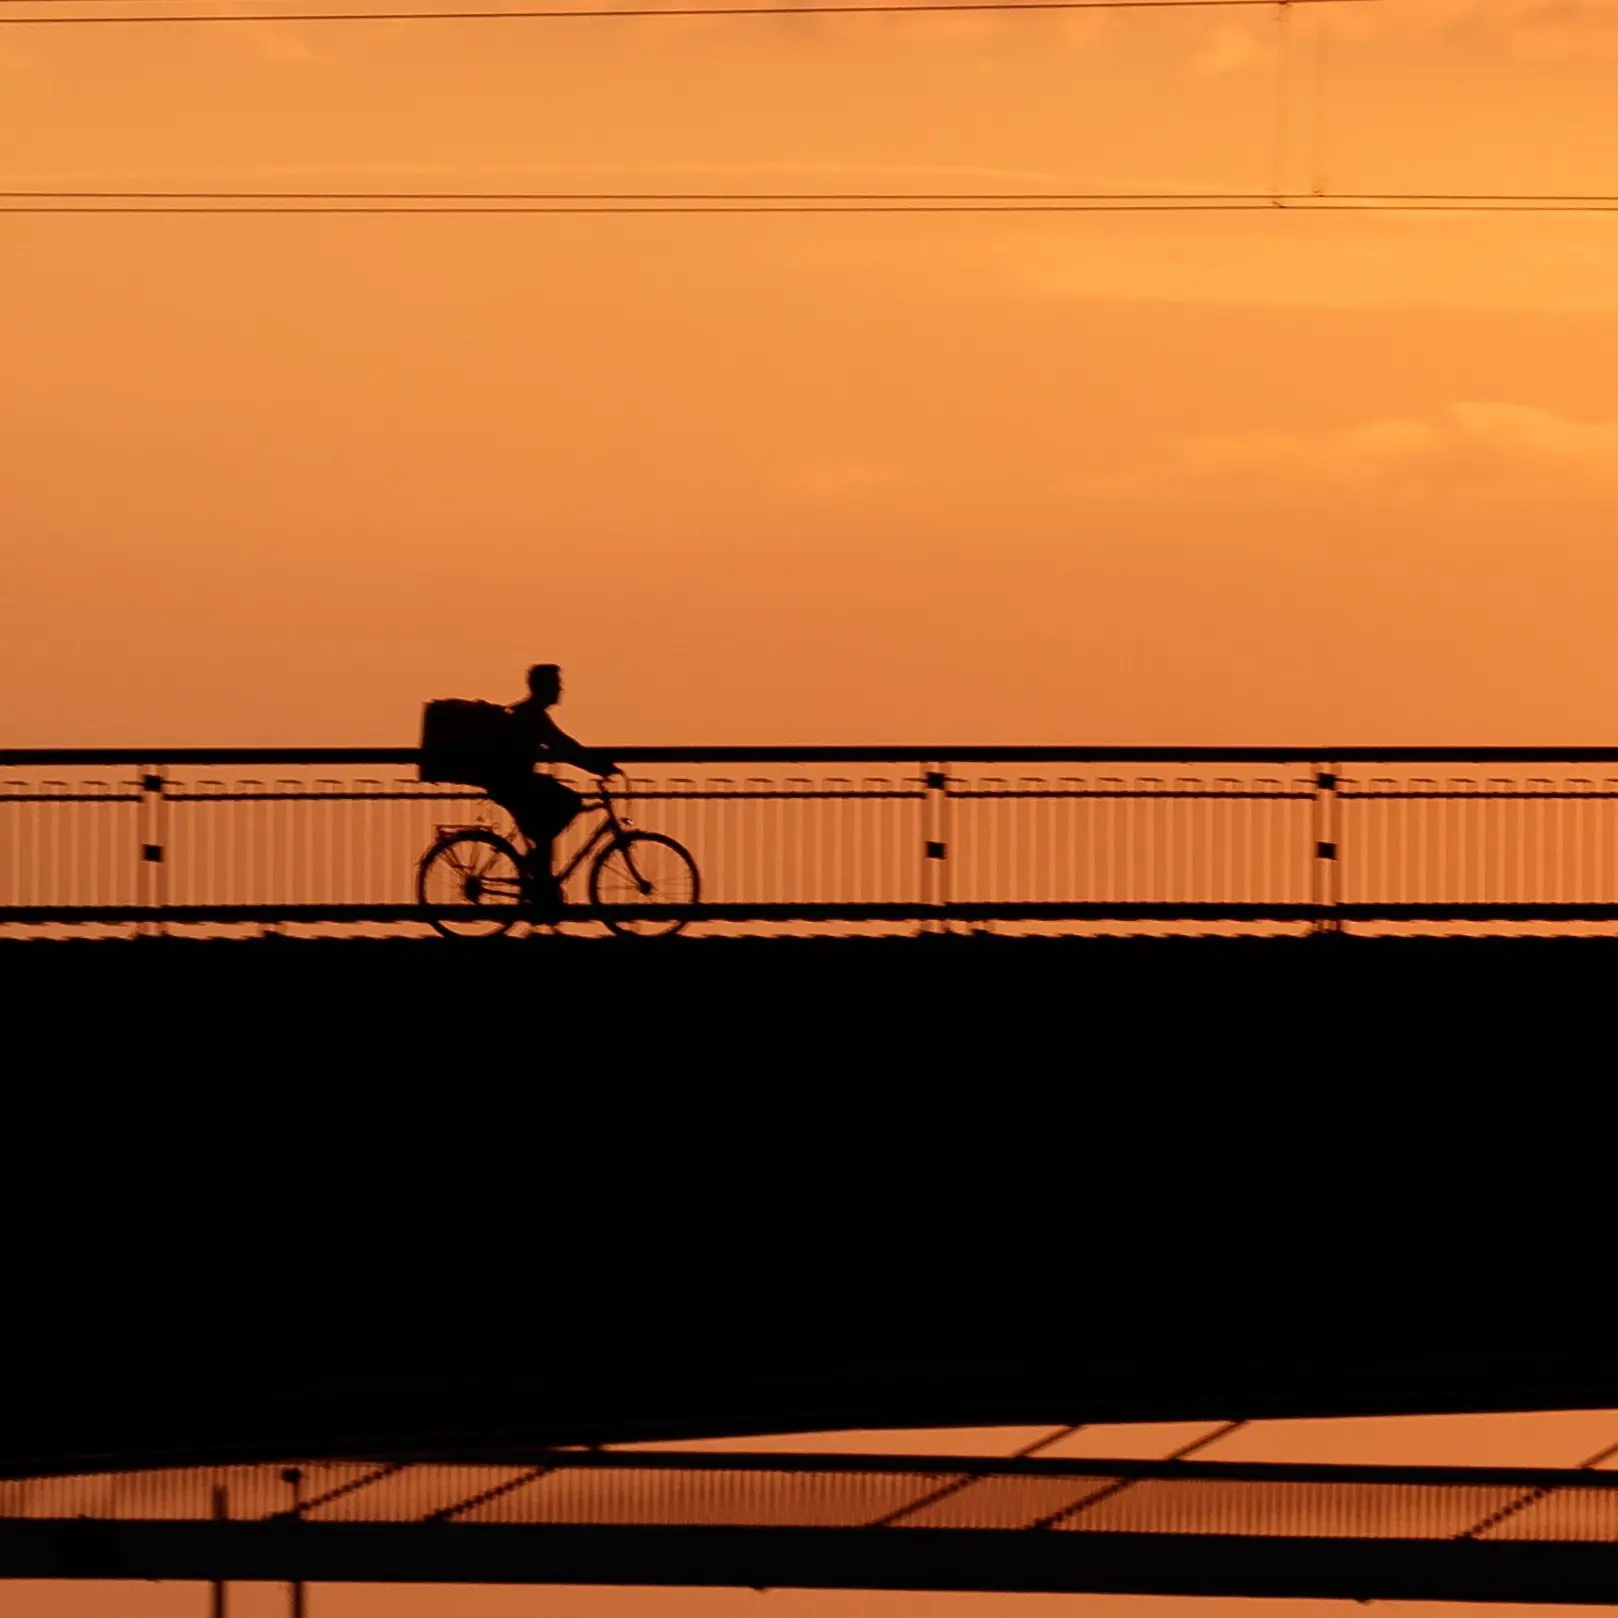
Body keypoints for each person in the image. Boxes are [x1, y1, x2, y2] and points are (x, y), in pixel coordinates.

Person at [477, 664, 618, 914]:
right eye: (556, 683)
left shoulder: (527, 712)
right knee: (569, 803)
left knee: (550, 818)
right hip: (514, 784)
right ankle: (538, 878)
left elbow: (562, 746)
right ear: (544, 687)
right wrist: (600, 767)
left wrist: (595, 764)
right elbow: (564, 746)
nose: (560, 688)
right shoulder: (533, 716)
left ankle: (541, 881)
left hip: (510, 783)